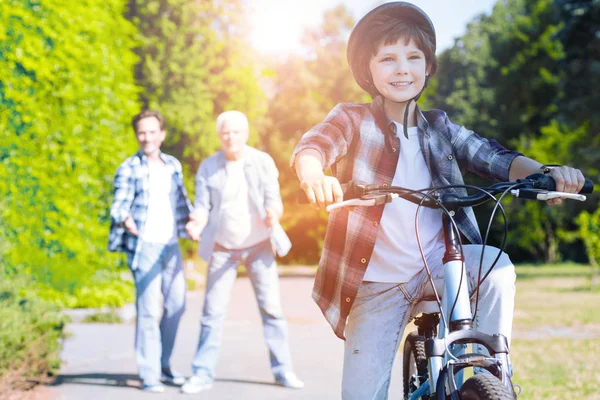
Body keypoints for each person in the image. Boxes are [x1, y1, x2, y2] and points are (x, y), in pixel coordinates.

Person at [291, 2, 585, 398]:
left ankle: (486, 372)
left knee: (495, 266)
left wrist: (546, 173)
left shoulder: (440, 128)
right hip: (377, 282)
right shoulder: (353, 120)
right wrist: (313, 173)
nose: (402, 69)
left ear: (428, 66)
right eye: (388, 59)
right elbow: (315, 146)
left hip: (438, 265)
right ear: (369, 69)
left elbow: (496, 157)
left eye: (414, 57)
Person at [181, 110, 303, 394]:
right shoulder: (209, 167)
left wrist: (274, 215)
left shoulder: (261, 162)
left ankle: (283, 370)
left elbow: (274, 200)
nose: (230, 137)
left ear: (245, 134)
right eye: (225, 132)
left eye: (235, 131)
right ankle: (201, 373)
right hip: (223, 247)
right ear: (219, 135)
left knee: (272, 309)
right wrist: (197, 220)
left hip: (258, 244)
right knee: (212, 312)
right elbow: (201, 205)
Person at [108, 110, 192, 393]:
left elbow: (183, 202)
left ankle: (164, 364)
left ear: (162, 135)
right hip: (145, 246)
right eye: (142, 132)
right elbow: (118, 205)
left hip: (170, 245)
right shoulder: (128, 167)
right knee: (148, 311)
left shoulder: (173, 165)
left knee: (178, 304)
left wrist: (194, 224)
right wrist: (125, 219)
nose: (147, 137)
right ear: (137, 136)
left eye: (152, 132)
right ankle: (149, 374)